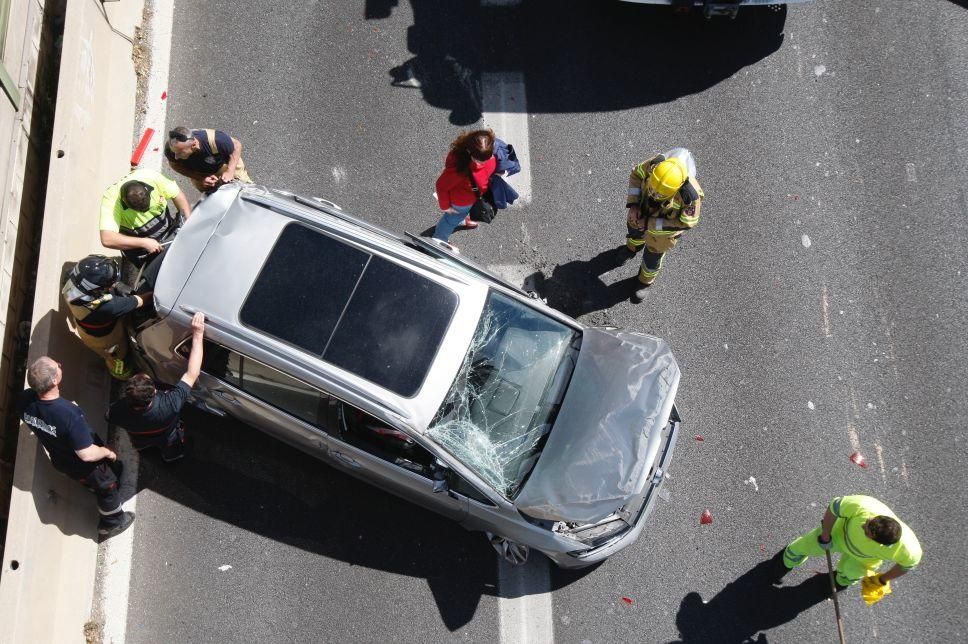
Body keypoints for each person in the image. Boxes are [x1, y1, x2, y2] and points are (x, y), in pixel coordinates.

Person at [18, 357, 135, 539]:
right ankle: (112, 522)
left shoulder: (25, 400)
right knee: (107, 487)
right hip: (86, 465)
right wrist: (108, 452)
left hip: (62, 460)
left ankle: (100, 480)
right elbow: (87, 454)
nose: (60, 364)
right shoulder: (68, 415)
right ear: (54, 380)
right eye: (57, 365)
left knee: (93, 478)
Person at [107, 312, 206, 462]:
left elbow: (108, 416)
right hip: (166, 434)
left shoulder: (117, 410)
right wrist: (198, 334)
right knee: (171, 445)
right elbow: (192, 373)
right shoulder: (170, 404)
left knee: (142, 443)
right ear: (154, 391)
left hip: (140, 439)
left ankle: (145, 449)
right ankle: (171, 455)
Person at [776, 494, 922, 590]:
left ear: (880, 543)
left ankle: (839, 582)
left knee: (850, 575)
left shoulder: (909, 551)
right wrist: (825, 534)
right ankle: (784, 563)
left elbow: (907, 566)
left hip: (864, 559)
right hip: (838, 534)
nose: (863, 525)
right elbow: (834, 508)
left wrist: (882, 579)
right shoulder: (864, 505)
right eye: (868, 522)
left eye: (867, 532)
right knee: (803, 547)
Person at [624, 148, 703, 302]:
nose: (653, 194)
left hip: (661, 235)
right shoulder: (656, 165)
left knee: (652, 259)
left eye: (659, 195)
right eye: (652, 189)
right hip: (640, 212)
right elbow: (636, 174)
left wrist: (650, 224)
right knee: (634, 233)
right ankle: (631, 248)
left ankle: (644, 282)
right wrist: (633, 204)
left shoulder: (691, 196)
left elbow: (687, 223)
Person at [62, 255, 151, 380]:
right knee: (117, 358)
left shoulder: (73, 279)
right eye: (110, 284)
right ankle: (123, 375)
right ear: (96, 290)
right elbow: (142, 300)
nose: (113, 285)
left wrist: (115, 286)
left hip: (85, 326)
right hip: (106, 340)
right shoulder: (106, 307)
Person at [99, 168, 192, 265]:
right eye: (138, 210)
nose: (144, 212)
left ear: (147, 189)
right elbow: (107, 239)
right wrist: (144, 243)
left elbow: (177, 195)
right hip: (142, 249)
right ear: (123, 201)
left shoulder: (151, 176)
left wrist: (188, 222)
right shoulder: (111, 200)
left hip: (169, 232)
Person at [433, 129, 506, 244]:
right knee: (450, 220)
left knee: (460, 215)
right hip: (460, 202)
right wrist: (445, 207)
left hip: (471, 198)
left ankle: (459, 220)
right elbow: (441, 186)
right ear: (470, 152)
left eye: (489, 156)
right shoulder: (460, 170)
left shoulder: (486, 151)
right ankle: (439, 239)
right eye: (480, 161)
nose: (486, 162)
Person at [165, 126, 253, 194]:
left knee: (244, 188)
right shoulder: (172, 150)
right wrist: (200, 178)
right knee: (210, 195)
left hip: (224, 165)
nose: (176, 156)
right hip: (200, 172)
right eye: (174, 153)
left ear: (194, 145)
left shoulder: (217, 140)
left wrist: (230, 171)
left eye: (180, 152)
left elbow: (237, 145)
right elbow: (174, 164)